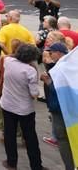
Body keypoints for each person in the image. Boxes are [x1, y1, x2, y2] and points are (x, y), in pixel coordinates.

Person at [0, 43, 44, 170]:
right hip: (25, 109)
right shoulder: (30, 71)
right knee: (30, 137)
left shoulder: (7, 61)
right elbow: (34, 93)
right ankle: (36, 165)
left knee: (9, 134)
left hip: (7, 105)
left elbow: (9, 55)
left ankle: (11, 162)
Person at [42, 42, 75, 170]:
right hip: (69, 108)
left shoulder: (61, 69)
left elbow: (60, 91)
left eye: (51, 52)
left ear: (59, 53)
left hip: (60, 108)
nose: (49, 55)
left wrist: (48, 81)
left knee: (62, 138)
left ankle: (70, 166)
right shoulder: (69, 66)